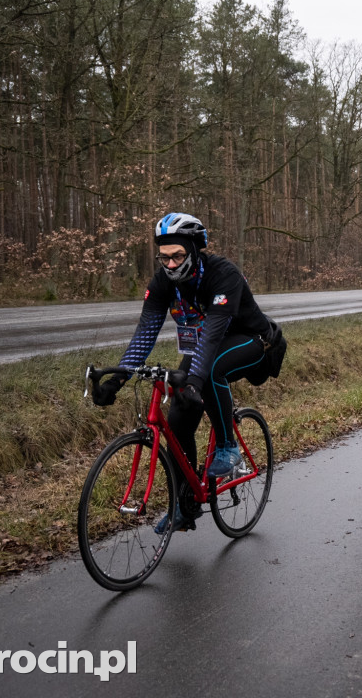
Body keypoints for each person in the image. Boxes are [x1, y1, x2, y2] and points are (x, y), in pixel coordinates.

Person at [91, 212, 278, 532]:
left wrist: (193, 381)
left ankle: (227, 446)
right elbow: (145, 333)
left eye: (178, 255)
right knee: (177, 421)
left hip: (254, 341)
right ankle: (186, 504)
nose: (171, 264)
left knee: (210, 371)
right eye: (164, 257)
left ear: (193, 250)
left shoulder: (223, 275)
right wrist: (117, 379)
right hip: (205, 345)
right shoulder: (162, 282)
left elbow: (215, 332)